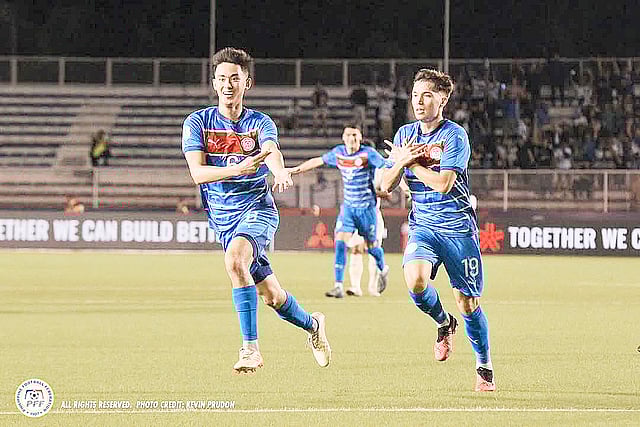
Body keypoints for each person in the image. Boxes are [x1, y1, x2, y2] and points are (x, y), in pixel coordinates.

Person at [181, 47, 331, 374]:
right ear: (214, 83)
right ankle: (313, 325)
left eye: (235, 78)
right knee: (272, 296)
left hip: (257, 210)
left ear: (246, 83)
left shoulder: (259, 122)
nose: (228, 85)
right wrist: (237, 169)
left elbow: (271, 149)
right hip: (223, 219)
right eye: (222, 78)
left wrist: (278, 171)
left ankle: (250, 350)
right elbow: (197, 173)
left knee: (235, 261)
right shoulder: (197, 123)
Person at [381, 68, 495, 392]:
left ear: (442, 100)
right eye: (415, 95)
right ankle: (444, 323)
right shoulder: (405, 135)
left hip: (458, 228)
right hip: (424, 226)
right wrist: (399, 162)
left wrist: (411, 163)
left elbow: (444, 183)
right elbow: (386, 185)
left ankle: (484, 366)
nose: (418, 101)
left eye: (426, 95)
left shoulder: (455, 136)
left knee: (468, 303)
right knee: (415, 281)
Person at [289, 124, 390, 299]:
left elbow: (387, 166)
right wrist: (294, 170)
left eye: (355, 135)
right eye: (349, 135)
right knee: (340, 242)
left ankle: (383, 269)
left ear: (360, 138)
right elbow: (317, 161)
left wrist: (398, 167)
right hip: (348, 208)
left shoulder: (368, 154)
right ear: (343, 138)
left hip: (367, 209)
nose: (352, 139)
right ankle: (338, 285)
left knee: (372, 247)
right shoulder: (338, 153)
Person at [345, 169, 389, 297]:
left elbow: (388, 193)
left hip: (373, 216)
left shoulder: (379, 171)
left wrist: (370, 192)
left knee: (373, 250)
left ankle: (373, 288)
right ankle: (355, 287)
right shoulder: (353, 170)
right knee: (355, 249)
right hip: (356, 215)